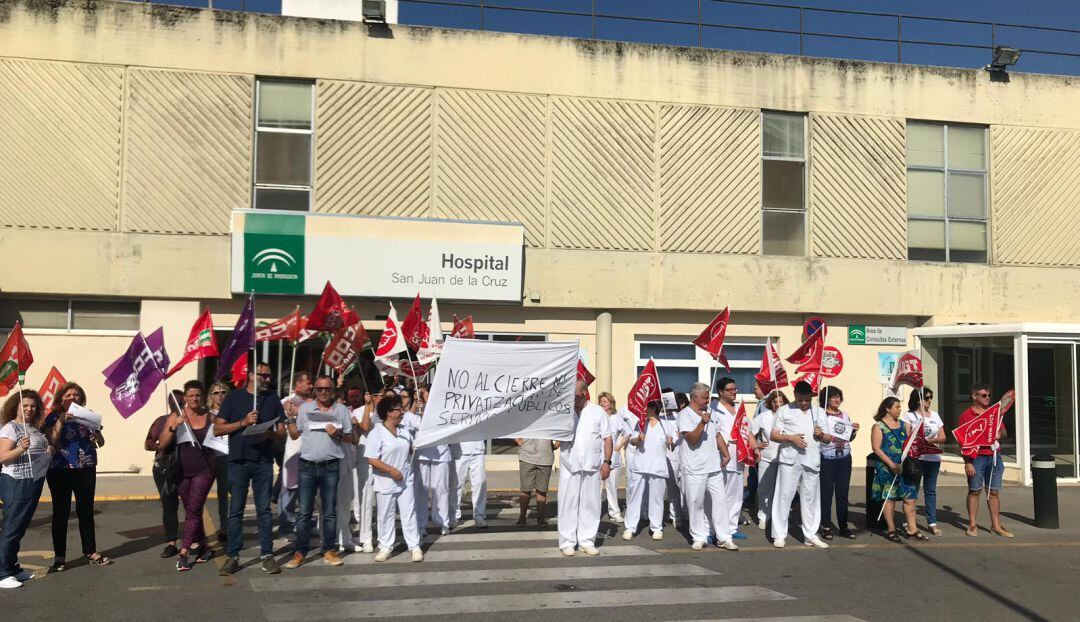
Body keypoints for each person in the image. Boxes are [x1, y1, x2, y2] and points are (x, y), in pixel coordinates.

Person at [215, 362, 286, 576]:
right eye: (263, 376)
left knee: (264, 510)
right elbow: (217, 428)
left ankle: (267, 555)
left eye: (269, 376)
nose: (267, 380)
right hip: (238, 460)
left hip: (263, 461)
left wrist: (269, 434)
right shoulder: (234, 398)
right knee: (235, 510)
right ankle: (233, 555)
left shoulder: (272, 398)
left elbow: (281, 431)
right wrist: (243, 423)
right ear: (252, 375)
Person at [283, 375, 354, 568]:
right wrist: (289, 417)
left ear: (333, 391)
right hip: (307, 465)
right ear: (315, 390)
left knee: (329, 511)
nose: (323, 392)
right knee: (304, 512)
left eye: (327, 389)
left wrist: (338, 433)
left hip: (331, 465)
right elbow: (294, 434)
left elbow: (352, 438)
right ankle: (300, 551)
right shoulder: (305, 408)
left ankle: (329, 550)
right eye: (319, 388)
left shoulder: (341, 410)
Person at [43, 382, 111, 572]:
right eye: (68, 395)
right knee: (61, 513)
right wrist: (61, 421)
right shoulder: (53, 417)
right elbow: (51, 440)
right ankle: (60, 557)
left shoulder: (87, 416)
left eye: (76, 395)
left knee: (86, 511)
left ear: (81, 398)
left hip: (85, 466)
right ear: (61, 398)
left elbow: (101, 442)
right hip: (60, 469)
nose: (73, 398)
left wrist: (96, 435)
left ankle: (90, 551)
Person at [155, 380, 218, 570]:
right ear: (185, 397)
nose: (195, 399)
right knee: (191, 509)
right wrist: (174, 427)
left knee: (193, 510)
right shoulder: (177, 415)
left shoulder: (210, 416)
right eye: (191, 395)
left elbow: (221, 438)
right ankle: (205, 548)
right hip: (181, 471)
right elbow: (162, 443)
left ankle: (183, 554)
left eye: (198, 395)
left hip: (205, 470)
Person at [770, 380, 832, 549]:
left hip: (811, 460)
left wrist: (821, 434)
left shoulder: (819, 412)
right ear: (795, 396)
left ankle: (810, 535)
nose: (804, 404)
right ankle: (779, 534)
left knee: (810, 498)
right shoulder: (784, 411)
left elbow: (828, 439)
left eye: (807, 400)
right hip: (789, 460)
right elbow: (773, 435)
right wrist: (791, 438)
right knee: (784, 496)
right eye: (800, 400)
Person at [0, 390, 51, 588]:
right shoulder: (11, 429)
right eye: (25, 405)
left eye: (33, 405)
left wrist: (47, 451)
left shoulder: (32, 427)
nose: (30, 408)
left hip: (33, 481)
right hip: (16, 482)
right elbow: (3, 457)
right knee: (12, 529)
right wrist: (21, 448)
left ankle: (13, 568)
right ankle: (3, 573)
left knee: (19, 528)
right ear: (16, 406)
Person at [557, 380, 613, 556]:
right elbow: (555, 438)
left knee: (591, 504)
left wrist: (607, 462)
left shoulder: (598, 412)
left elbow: (607, 438)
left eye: (574, 396)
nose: (572, 400)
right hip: (569, 465)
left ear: (583, 394)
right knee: (567, 504)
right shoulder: (564, 411)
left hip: (592, 465)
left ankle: (587, 541)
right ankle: (567, 542)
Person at [365, 396, 423, 562]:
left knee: (408, 513)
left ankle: (414, 546)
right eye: (398, 409)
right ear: (389, 413)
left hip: (405, 479)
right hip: (385, 480)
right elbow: (371, 459)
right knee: (385, 515)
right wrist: (391, 470)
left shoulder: (404, 430)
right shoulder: (376, 432)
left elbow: (410, 450)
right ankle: (385, 547)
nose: (402, 412)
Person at [678, 382, 735, 551]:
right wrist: (702, 423)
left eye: (708, 396)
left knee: (720, 501)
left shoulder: (711, 413)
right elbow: (692, 439)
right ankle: (699, 537)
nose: (708, 399)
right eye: (705, 397)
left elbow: (717, 434)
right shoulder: (684, 415)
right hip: (694, 467)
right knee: (695, 502)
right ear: (694, 397)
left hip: (713, 466)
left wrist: (725, 453)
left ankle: (724, 537)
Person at [960, 383, 1013, 538]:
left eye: (989, 395)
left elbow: (1004, 431)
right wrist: (968, 462)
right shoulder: (966, 415)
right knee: (974, 491)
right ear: (974, 396)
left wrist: (999, 433)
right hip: (976, 458)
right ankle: (972, 525)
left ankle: (996, 525)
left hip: (994, 456)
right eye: (984, 395)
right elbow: (963, 441)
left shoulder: (994, 413)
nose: (988, 398)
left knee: (994, 492)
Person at [871, 396, 926, 543]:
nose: (900, 410)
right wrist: (891, 464)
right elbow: (876, 448)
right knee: (890, 498)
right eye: (897, 407)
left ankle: (912, 529)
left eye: (900, 407)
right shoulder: (879, 426)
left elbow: (910, 443)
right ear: (888, 408)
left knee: (910, 498)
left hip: (905, 466)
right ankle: (891, 529)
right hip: (887, 467)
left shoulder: (904, 425)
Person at [714, 377, 755, 542]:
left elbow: (747, 431)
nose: (734, 392)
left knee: (736, 494)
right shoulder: (713, 408)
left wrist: (755, 447)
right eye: (730, 390)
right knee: (719, 494)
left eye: (735, 389)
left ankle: (731, 527)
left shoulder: (739, 409)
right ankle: (715, 528)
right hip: (721, 455)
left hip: (738, 455)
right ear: (721, 392)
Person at [622, 401, 671, 540]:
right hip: (640, 464)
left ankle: (656, 527)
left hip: (658, 465)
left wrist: (670, 441)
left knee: (656, 498)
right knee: (635, 496)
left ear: (654, 409)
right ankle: (630, 527)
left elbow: (672, 445)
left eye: (648, 407)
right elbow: (632, 442)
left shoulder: (666, 424)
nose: (645, 410)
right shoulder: (641, 423)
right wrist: (638, 439)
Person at [903, 387, 945, 536]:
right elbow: (906, 436)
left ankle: (932, 522)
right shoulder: (909, 416)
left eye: (931, 397)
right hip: (916, 458)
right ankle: (910, 521)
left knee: (931, 490)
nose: (929, 401)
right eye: (927, 398)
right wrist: (917, 440)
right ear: (918, 400)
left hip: (932, 458)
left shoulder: (935, 415)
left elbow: (943, 436)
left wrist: (931, 440)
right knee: (912, 489)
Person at [818, 386, 859, 540]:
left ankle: (843, 526)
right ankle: (826, 526)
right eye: (833, 397)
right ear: (826, 398)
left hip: (844, 457)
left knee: (843, 495)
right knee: (826, 494)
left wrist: (854, 431)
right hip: (826, 457)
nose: (837, 400)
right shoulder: (820, 414)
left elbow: (849, 437)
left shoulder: (845, 415)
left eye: (839, 397)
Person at [145, 392, 182, 559]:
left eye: (180, 402)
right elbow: (148, 443)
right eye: (174, 403)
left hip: (187, 467)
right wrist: (162, 444)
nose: (177, 406)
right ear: (169, 404)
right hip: (165, 468)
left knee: (192, 506)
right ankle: (171, 543)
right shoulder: (161, 422)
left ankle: (195, 541)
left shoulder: (191, 420)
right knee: (169, 505)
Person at [412, 385, 452, 537]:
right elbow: (411, 423)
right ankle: (421, 524)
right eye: (421, 393)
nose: (423, 395)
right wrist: (418, 407)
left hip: (441, 453)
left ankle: (443, 522)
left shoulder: (443, 406)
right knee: (421, 491)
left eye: (425, 392)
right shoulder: (416, 409)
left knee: (441, 490)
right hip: (422, 454)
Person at [278, 372, 313, 538]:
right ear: (297, 385)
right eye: (308, 383)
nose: (311, 386)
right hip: (293, 450)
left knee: (306, 490)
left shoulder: (312, 403)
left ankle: (303, 524)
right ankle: (285, 526)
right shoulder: (286, 403)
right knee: (289, 489)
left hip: (309, 451)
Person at [751, 389, 787, 531]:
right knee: (764, 489)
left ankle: (779, 518)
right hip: (767, 458)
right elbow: (749, 432)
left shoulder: (789, 416)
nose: (778, 404)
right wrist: (756, 446)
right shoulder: (763, 417)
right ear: (770, 403)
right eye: (775, 402)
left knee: (782, 491)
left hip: (785, 459)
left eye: (781, 402)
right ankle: (763, 517)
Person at [336, 386, 367, 552]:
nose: (343, 404)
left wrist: (354, 428)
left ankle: (345, 538)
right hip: (333, 463)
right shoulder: (327, 414)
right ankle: (337, 538)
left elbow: (354, 440)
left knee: (344, 504)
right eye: (341, 401)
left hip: (347, 462)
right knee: (332, 505)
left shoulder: (348, 414)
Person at [205, 381, 231, 544]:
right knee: (199, 495)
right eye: (215, 392)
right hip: (209, 458)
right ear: (210, 396)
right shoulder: (206, 413)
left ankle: (225, 528)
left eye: (223, 392)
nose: (219, 395)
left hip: (226, 457)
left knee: (225, 495)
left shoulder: (231, 411)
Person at [598, 392, 629, 524]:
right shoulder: (597, 417)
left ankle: (614, 512)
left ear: (611, 403)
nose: (602, 403)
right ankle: (593, 513)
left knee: (612, 488)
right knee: (596, 488)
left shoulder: (617, 418)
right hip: (598, 457)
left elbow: (627, 433)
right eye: (600, 401)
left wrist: (619, 445)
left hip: (614, 458)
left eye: (605, 401)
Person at [516, 436, 555, 527]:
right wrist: (517, 439)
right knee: (525, 490)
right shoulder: (526, 420)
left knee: (542, 491)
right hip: (527, 458)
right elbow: (512, 423)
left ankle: (540, 518)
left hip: (546, 459)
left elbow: (562, 428)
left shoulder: (549, 421)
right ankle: (522, 517)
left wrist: (557, 444)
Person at [661, 392, 687, 528]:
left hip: (674, 456)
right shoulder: (658, 418)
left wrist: (673, 441)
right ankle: (657, 516)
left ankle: (675, 515)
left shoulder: (678, 417)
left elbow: (682, 434)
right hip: (659, 456)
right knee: (659, 489)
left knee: (673, 488)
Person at [452, 437, 488, 529]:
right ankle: (454, 516)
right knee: (456, 485)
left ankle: (479, 515)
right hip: (460, 451)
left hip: (478, 449)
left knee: (480, 484)